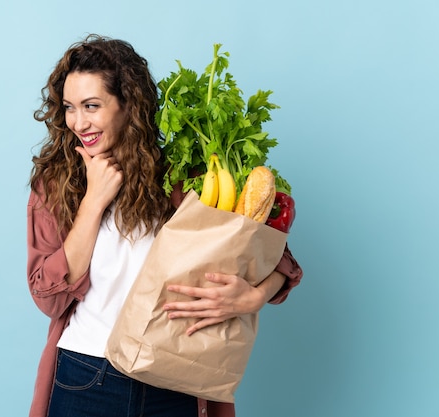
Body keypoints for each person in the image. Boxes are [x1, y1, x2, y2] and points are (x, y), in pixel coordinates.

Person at [27, 34, 303, 417]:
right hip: (87, 374)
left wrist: (252, 297)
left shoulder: (183, 178)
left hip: (173, 376)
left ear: (129, 105)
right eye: (70, 107)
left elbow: (277, 258)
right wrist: (93, 201)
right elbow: (48, 295)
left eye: (92, 106)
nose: (78, 122)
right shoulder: (56, 183)